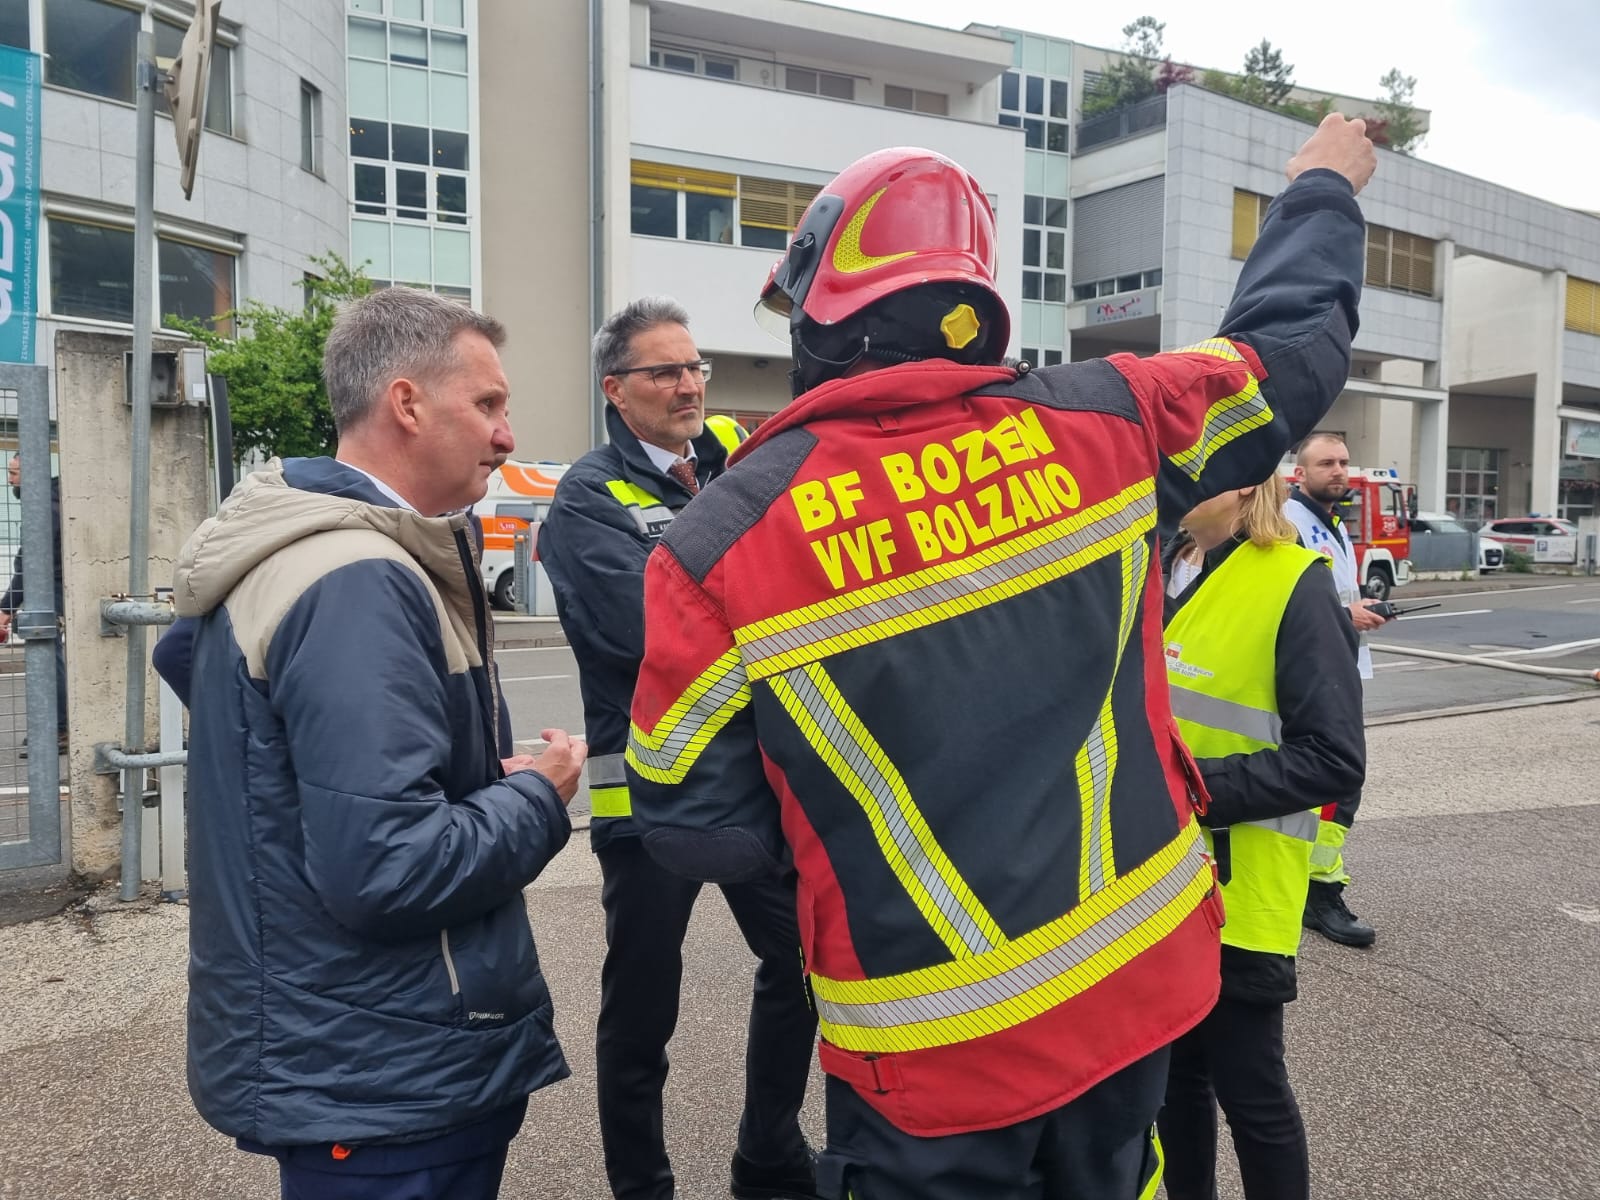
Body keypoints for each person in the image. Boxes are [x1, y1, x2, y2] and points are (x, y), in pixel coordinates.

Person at [624, 116, 1375, 1200]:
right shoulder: (1110, 420)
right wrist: (1316, 188)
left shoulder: (719, 541)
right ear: (975, 308)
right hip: (1132, 996)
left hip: (926, 1055)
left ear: (823, 316)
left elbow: (695, 829)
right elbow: (1288, 351)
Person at [164, 287, 586, 1200]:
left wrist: (473, 785)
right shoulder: (356, 575)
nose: (508, 435)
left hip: (353, 1051)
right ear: (405, 403)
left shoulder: (304, 550)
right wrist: (537, 794)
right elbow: (389, 865)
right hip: (386, 1074)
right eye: (488, 405)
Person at [537, 298, 818, 1200]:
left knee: (804, 967)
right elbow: (648, 634)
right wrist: (772, 624)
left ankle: (768, 1157)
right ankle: (641, 1186)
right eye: (665, 371)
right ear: (617, 391)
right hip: (648, 800)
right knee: (641, 1011)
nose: (690, 384)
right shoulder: (589, 495)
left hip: (750, 788)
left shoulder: (736, 468)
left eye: (693, 366)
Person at [1156, 474, 1366, 1200]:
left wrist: (1189, 788)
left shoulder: (1292, 583)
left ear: (1245, 486)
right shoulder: (1162, 566)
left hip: (1238, 890)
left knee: (1250, 1091)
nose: (1167, 483)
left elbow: (1335, 758)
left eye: (1188, 472)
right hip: (1155, 884)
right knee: (1174, 1084)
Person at [1284, 431, 1387, 946]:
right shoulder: (1291, 522)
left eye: (1344, 462)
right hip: (1317, 674)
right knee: (1336, 786)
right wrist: (1346, 615)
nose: (1339, 471)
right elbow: (1289, 600)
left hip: (1343, 667)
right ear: (1299, 473)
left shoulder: (1332, 522)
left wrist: (1359, 607)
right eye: (1326, 463)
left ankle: (1312, 888)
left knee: (1338, 788)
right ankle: (1318, 895)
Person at [1, 452, 68, 757]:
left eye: (14, 473)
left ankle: (59, 729)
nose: (9, 479)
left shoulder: (45, 506)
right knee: (49, 651)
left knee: (45, 649)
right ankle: (57, 727)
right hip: (53, 584)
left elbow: (30, 562)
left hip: (55, 585)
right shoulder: (49, 501)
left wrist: (6, 608)